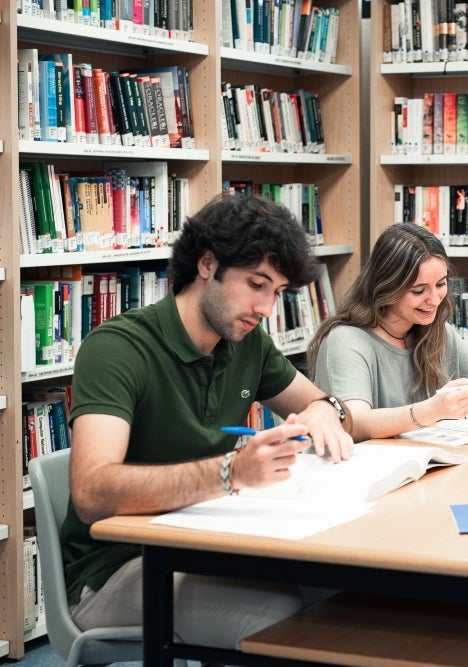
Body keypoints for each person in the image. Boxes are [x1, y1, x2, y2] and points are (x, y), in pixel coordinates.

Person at [64, 193, 355, 649]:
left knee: (350, 587)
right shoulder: (116, 348)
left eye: (275, 293)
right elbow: (91, 492)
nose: (265, 309)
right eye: (256, 284)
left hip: (213, 542)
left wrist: (324, 411)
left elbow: (321, 402)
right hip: (119, 567)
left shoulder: (246, 342)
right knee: (276, 617)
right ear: (206, 264)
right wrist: (232, 473)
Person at [308, 223, 468, 441]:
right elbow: (354, 422)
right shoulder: (346, 340)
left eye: (441, 284)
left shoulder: (437, 331)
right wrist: (434, 409)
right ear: (387, 287)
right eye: (418, 290)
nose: (434, 300)